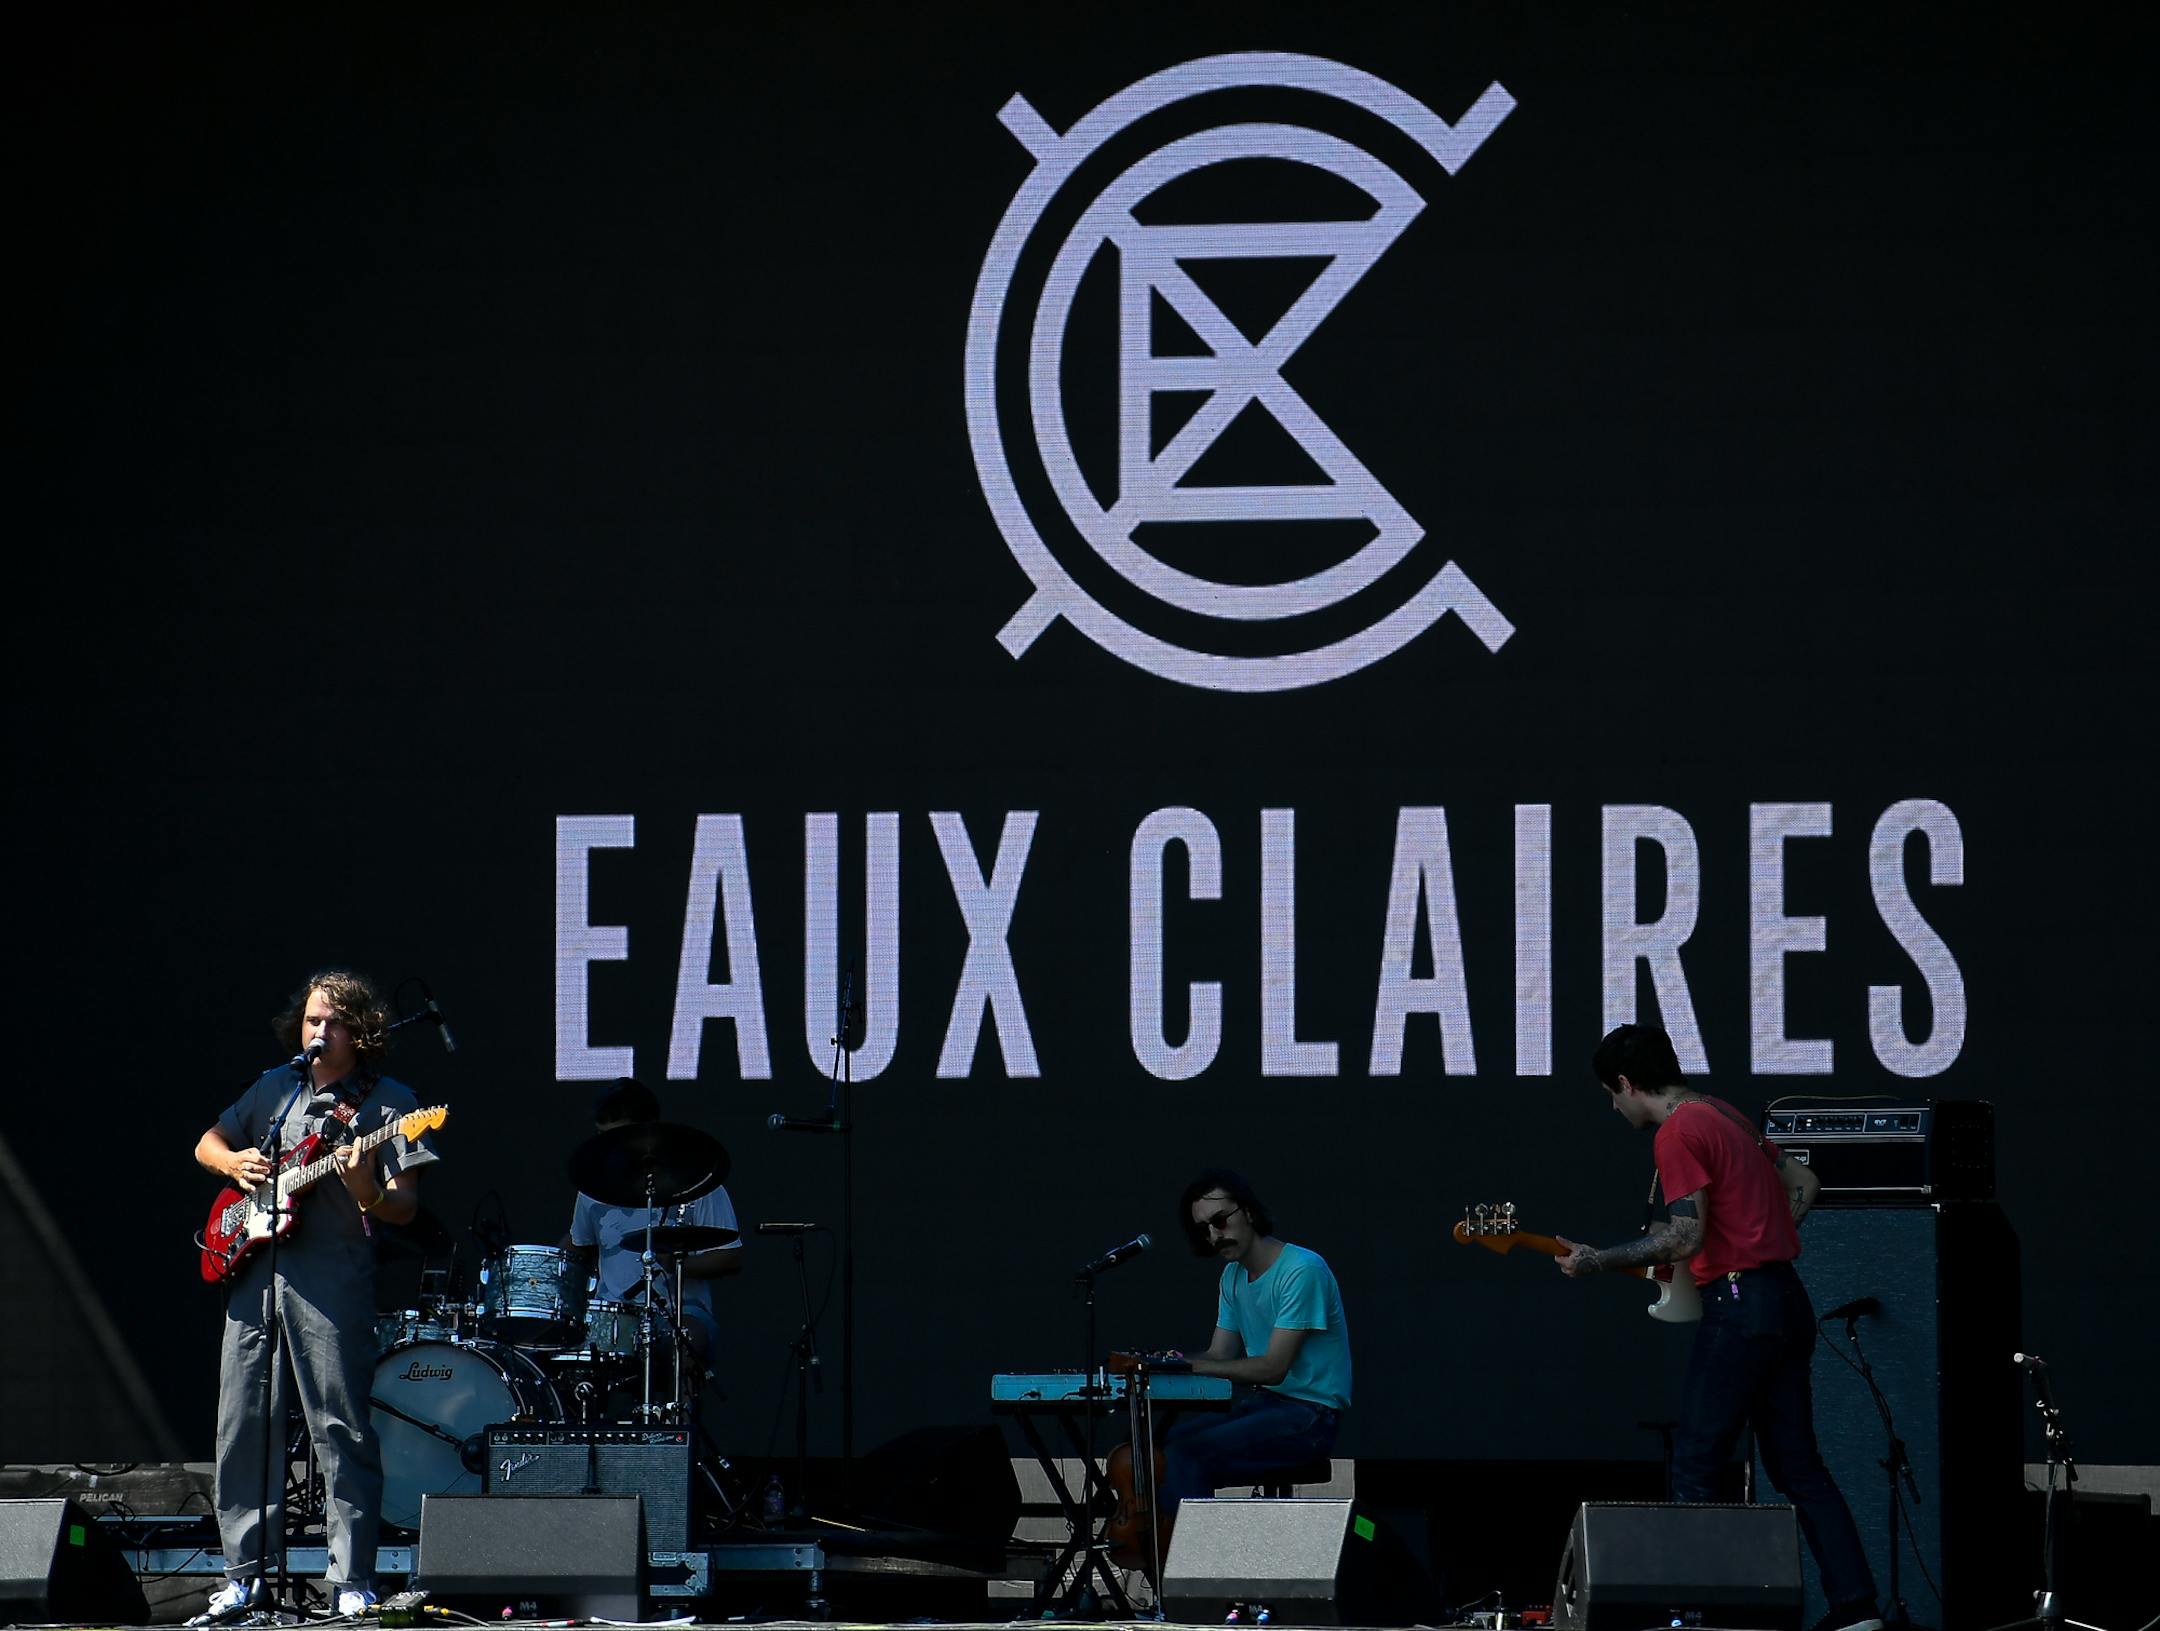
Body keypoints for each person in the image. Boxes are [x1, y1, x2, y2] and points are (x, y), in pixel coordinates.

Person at [1555, 1023, 1882, 1631]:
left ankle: (1694, 1614)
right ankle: (1858, 1610)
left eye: (1611, 1093)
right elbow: (1805, 1184)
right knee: (1799, 1467)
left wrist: (1596, 1260)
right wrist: (1764, 1239)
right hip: (1786, 1298)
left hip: (1740, 1305)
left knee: (1698, 1465)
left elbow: (1684, 1235)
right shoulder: (1725, 1113)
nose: (1614, 1105)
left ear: (1625, 1083)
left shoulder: (1679, 1132)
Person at [191, 970, 439, 1624]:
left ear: (359, 1031)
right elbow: (207, 1142)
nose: (318, 1031)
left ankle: (352, 1578)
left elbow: (404, 1208)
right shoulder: (274, 1088)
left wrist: (365, 1186)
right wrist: (236, 1163)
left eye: (331, 1021)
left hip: (330, 1282)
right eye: (310, 1021)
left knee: (340, 1425)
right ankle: (242, 1577)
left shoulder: (393, 1103)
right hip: (255, 1275)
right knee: (241, 1422)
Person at [1156, 1170, 1351, 1513]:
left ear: (1247, 1211)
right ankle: (1170, 1554)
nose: (1215, 1235)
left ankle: (1198, 1562)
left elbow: (1273, 1368)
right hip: (1266, 1406)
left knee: (1185, 1455)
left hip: (1310, 1417)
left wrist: (1190, 1365)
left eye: (1220, 1220)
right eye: (1204, 1229)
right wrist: (1164, 1364)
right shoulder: (1232, 1275)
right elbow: (1219, 1354)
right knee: (1161, 1450)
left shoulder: (1302, 1269)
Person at [564, 1078, 741, 1380]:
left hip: (679, 1312)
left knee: (686, 1346)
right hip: (611, 1312)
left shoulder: (698, 1181)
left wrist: (679, 1263)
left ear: (647, 1132)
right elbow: (577, 1245)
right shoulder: (592, 1187)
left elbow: (730, 1257)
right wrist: (534, 1270)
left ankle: (678, 1426)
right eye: (601, 1137)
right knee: (561, 1356)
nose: (609, 1148)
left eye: (617, 1137)